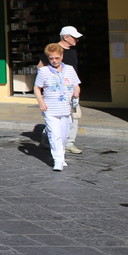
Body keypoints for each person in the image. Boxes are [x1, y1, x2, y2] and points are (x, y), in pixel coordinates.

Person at [34, 43, 81, 172]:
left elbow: (76, 84)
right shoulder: (43, 71)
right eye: (51, 58)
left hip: (66, 108)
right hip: (50, 108)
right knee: (55, 135)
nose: (54, 61)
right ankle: (58, 161)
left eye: (57, 58)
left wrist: (76, 92)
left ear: (61, 56)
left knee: (64, 135)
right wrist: (41, 101)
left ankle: (61, 156)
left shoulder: (69, 69)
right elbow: (37, 88)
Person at [38, 26, 84, 155]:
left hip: (71, 91)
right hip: (55, 92)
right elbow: (40, 68)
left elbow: (73, 72)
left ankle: (69, 143)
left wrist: (76, 88)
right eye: (74, 37)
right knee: (55, 116)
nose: (77, 40)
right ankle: (48, 138)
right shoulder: (53, 50)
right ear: (65, 37)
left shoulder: (72, 51)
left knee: (74, 116)